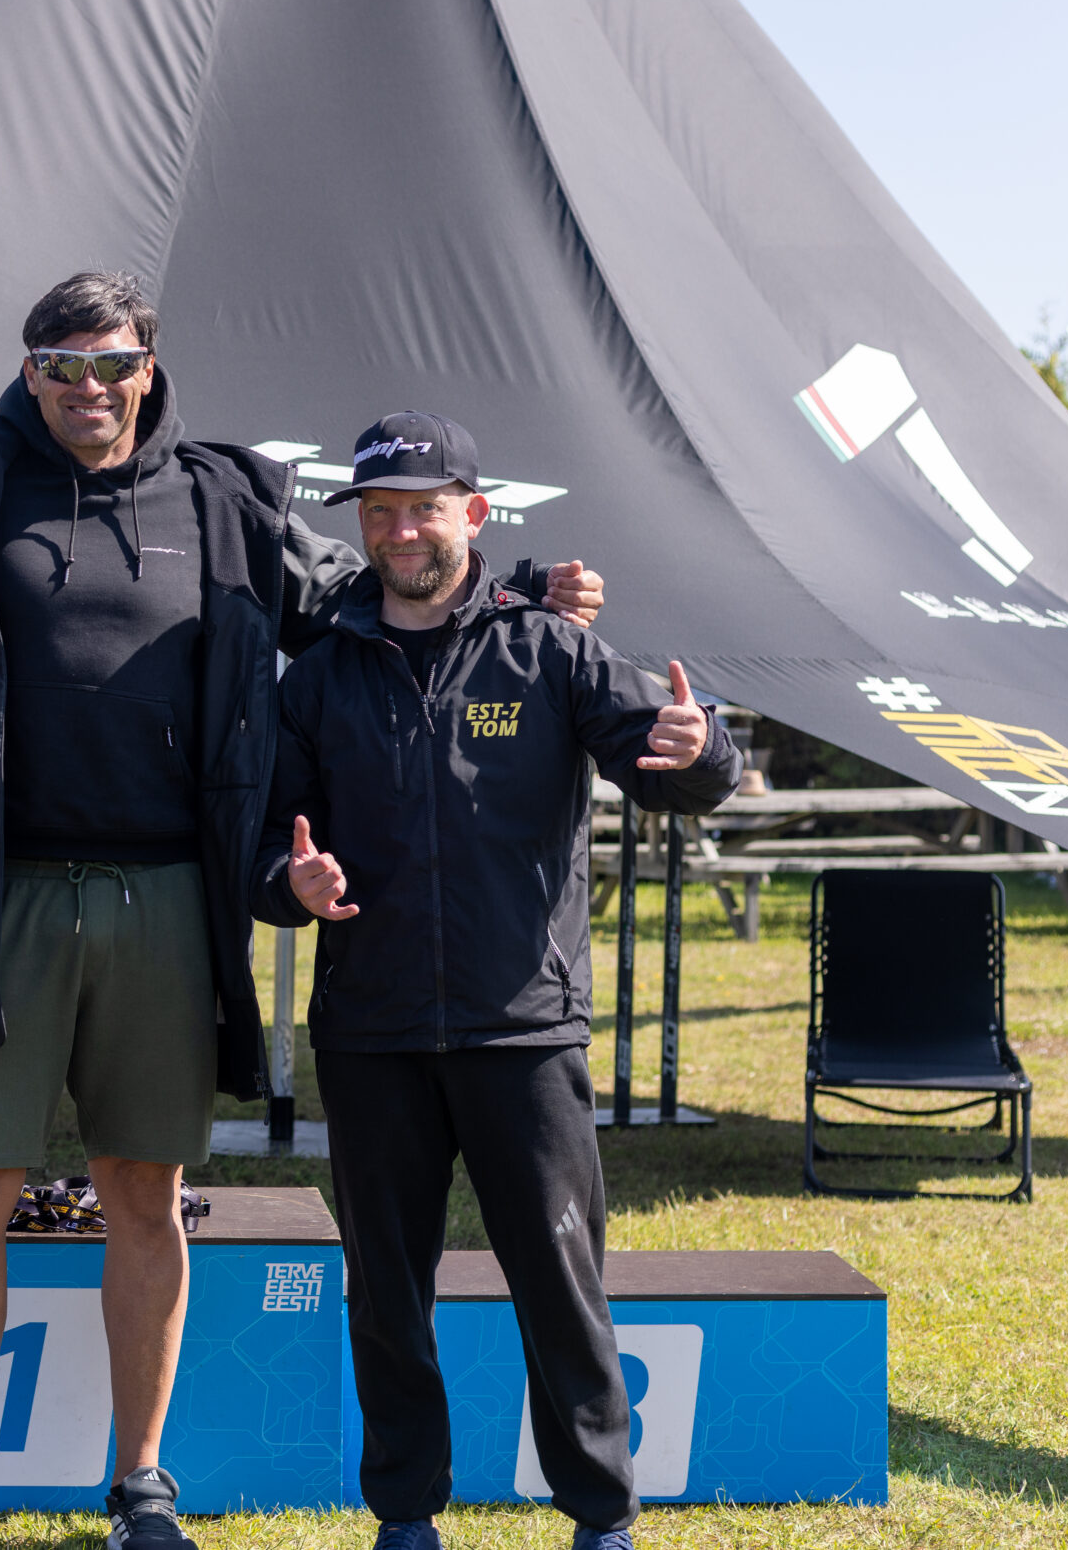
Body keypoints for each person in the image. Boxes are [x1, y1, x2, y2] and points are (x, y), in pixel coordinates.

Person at [0, 273, 609, 1550]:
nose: (87, 387)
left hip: (170, 895)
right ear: (28, 372)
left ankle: (140, 1485)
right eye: (61, 364)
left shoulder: (222, 500)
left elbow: (370, 586)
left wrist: (510, 585)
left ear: (148, 366)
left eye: (111, 362)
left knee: (146, 1193)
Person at [250, 411, 739, 1550]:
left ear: (472, 513)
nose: (400, 531)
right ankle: (405, 1516)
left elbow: (669, 764)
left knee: (561, 1283)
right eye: (379, 512)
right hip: (370, 1035)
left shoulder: (550, 650)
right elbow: (267, 845)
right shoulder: (316, 679)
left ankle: (602, 1517)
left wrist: (700, 747)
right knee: (386, 1295)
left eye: (423, 509)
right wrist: (292, 880)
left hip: (523, 1031)